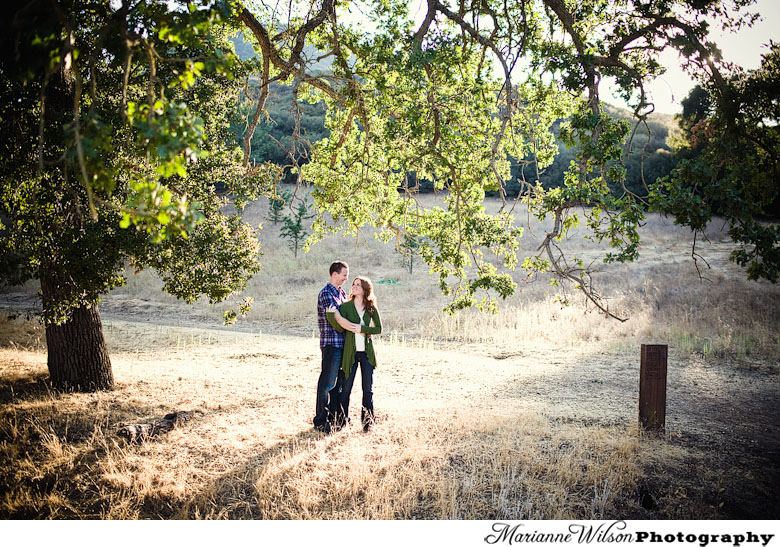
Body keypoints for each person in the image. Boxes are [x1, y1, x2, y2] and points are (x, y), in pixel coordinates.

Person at [327, 276, 382, 432]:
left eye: (358, 285)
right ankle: (341, 422)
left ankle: (368, 424)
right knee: (346, 389)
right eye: (353, 284)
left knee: (368, 390)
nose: (354, 286)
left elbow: (378, 329)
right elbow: (340, 328)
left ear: (365, 289)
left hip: (367, 355)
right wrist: (331, 316)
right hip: (350, 354)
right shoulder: (345, 307)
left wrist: (362, 329)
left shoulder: (371, 308)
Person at [314, 260, 349, 434]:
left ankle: (335, 418)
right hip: (331, 344)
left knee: (339, 384)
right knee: (327, 383)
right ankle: (320, 420)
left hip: (343, 345)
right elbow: (336, 318)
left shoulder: (342, 293)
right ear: (334, 274)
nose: (345, 278)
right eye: (344, 275)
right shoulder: (326, 293)